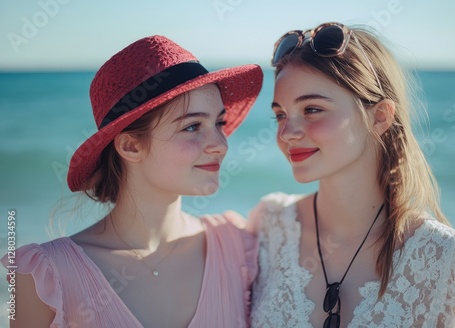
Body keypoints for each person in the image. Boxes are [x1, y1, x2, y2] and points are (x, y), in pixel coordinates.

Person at [2, 35, 263, 327]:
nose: (221, 145)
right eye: (192, 126)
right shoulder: (46, 278)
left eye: (219, 123)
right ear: (130, 147)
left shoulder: (238, 246)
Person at [249, 22, 455, 327]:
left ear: (380, 116)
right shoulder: (270, 224)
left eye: (312, 109)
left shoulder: (443, 257)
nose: (287, 133)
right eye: (280, 115)